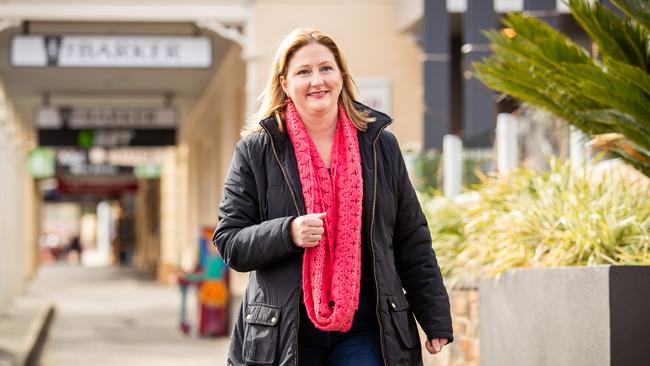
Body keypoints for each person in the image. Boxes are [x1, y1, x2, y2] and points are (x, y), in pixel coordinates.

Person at [213, 28, 453, 366]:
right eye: (303, 72)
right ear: (284, 83)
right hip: (286, 331)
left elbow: (410, 236)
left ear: (341, 75)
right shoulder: (258, 150)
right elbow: (229, 241)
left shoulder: (379, 145)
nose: (317, 81)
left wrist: (434, 316)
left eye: (326, 68)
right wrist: (288, 233)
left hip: (367, 326)